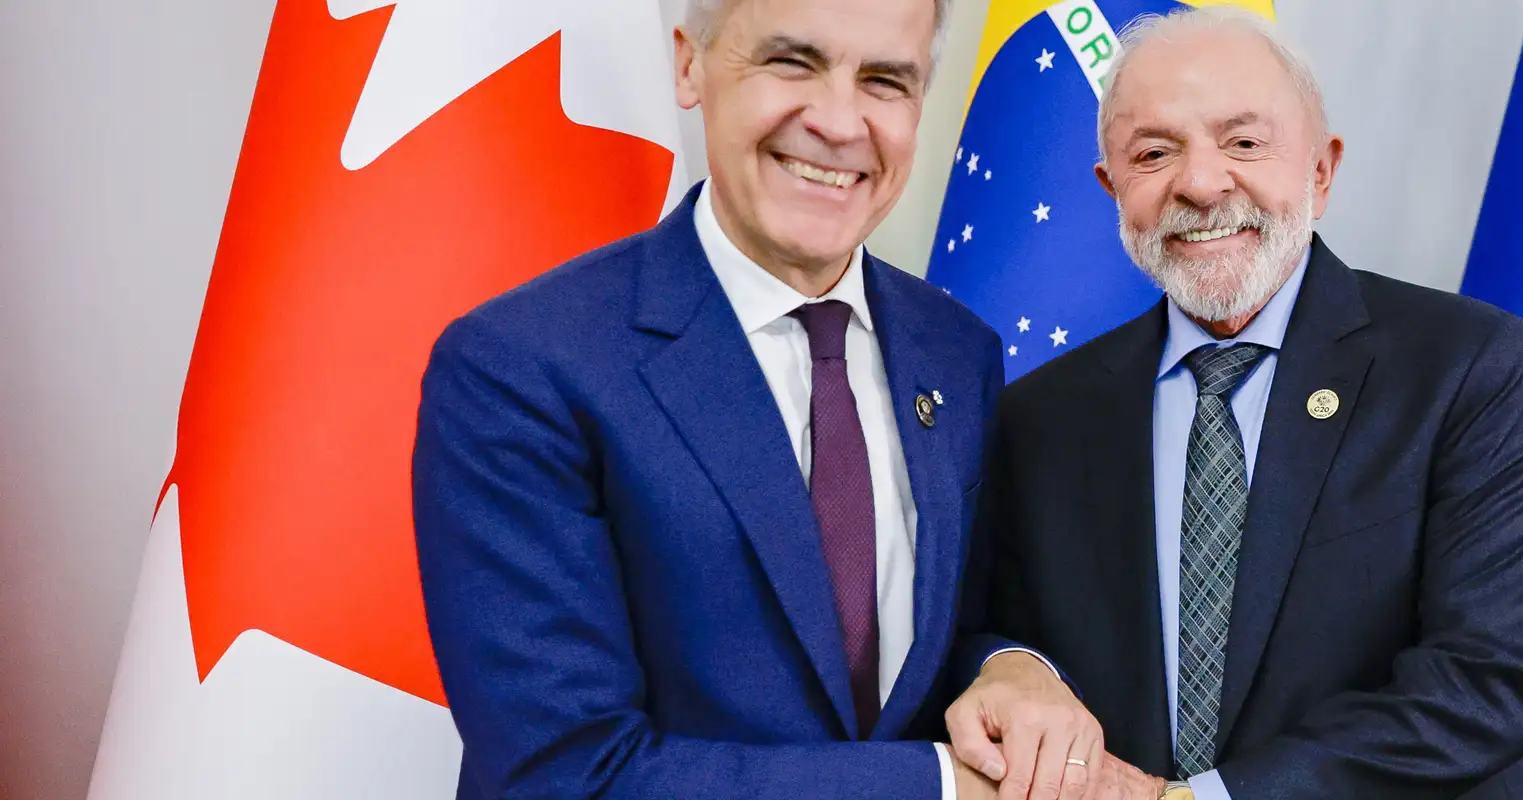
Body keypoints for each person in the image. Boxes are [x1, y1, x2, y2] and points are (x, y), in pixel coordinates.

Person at [410, 0, 1107, 797]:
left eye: (885, 80)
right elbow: (567, 773)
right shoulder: (521, 366)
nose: (839, 122)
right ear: (689, 66)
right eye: (792, 62)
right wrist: (943, 785)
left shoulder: (958, 350)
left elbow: (949, 629)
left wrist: (1010, 668)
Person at [976, 7, 1523, 800]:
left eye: (1244, 143)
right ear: (1112, 189)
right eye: (1154, 153)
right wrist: (1011, 665)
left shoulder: (1466, 366)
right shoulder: (1039, 417)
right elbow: (990, 635)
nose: (1201, 183)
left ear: (1322, 171)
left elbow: (1483, 683)